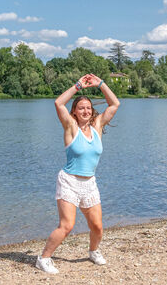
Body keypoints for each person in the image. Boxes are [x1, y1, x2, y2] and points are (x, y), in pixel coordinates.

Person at [36, 73, 120, 274]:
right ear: (74, 112)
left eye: (88, 108)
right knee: (67, 226)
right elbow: (58, 103)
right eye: (81, 108)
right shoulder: (71, 127)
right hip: (69, 181)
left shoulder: (97, 126)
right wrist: (78, 86)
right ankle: (44, 258)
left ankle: (93, 251)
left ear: (92, 112)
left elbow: (114, 104)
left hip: (89, 183)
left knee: (98, 227)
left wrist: (100, 84)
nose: (85, 111)